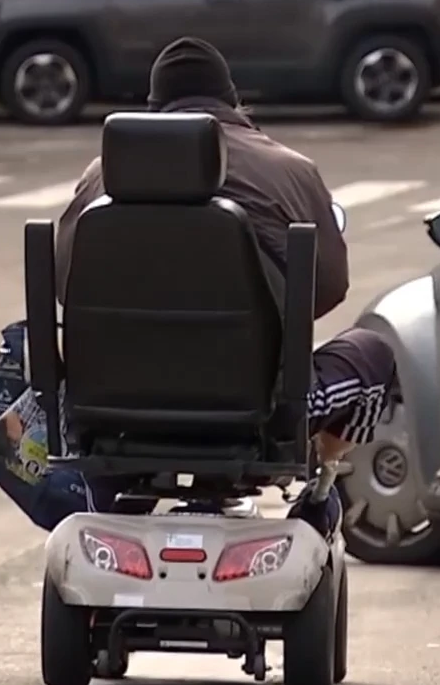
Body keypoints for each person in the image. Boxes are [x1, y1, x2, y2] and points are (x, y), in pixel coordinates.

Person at [52, 36, 401, 532]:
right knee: (375, 354)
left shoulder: (101, 178)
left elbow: (67, 287)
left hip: (110, 411)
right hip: (259, 411)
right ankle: (321, 485)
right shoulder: (289, 171)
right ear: (234, 103)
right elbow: (326, 290)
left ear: (154, 109)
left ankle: (103, 496)